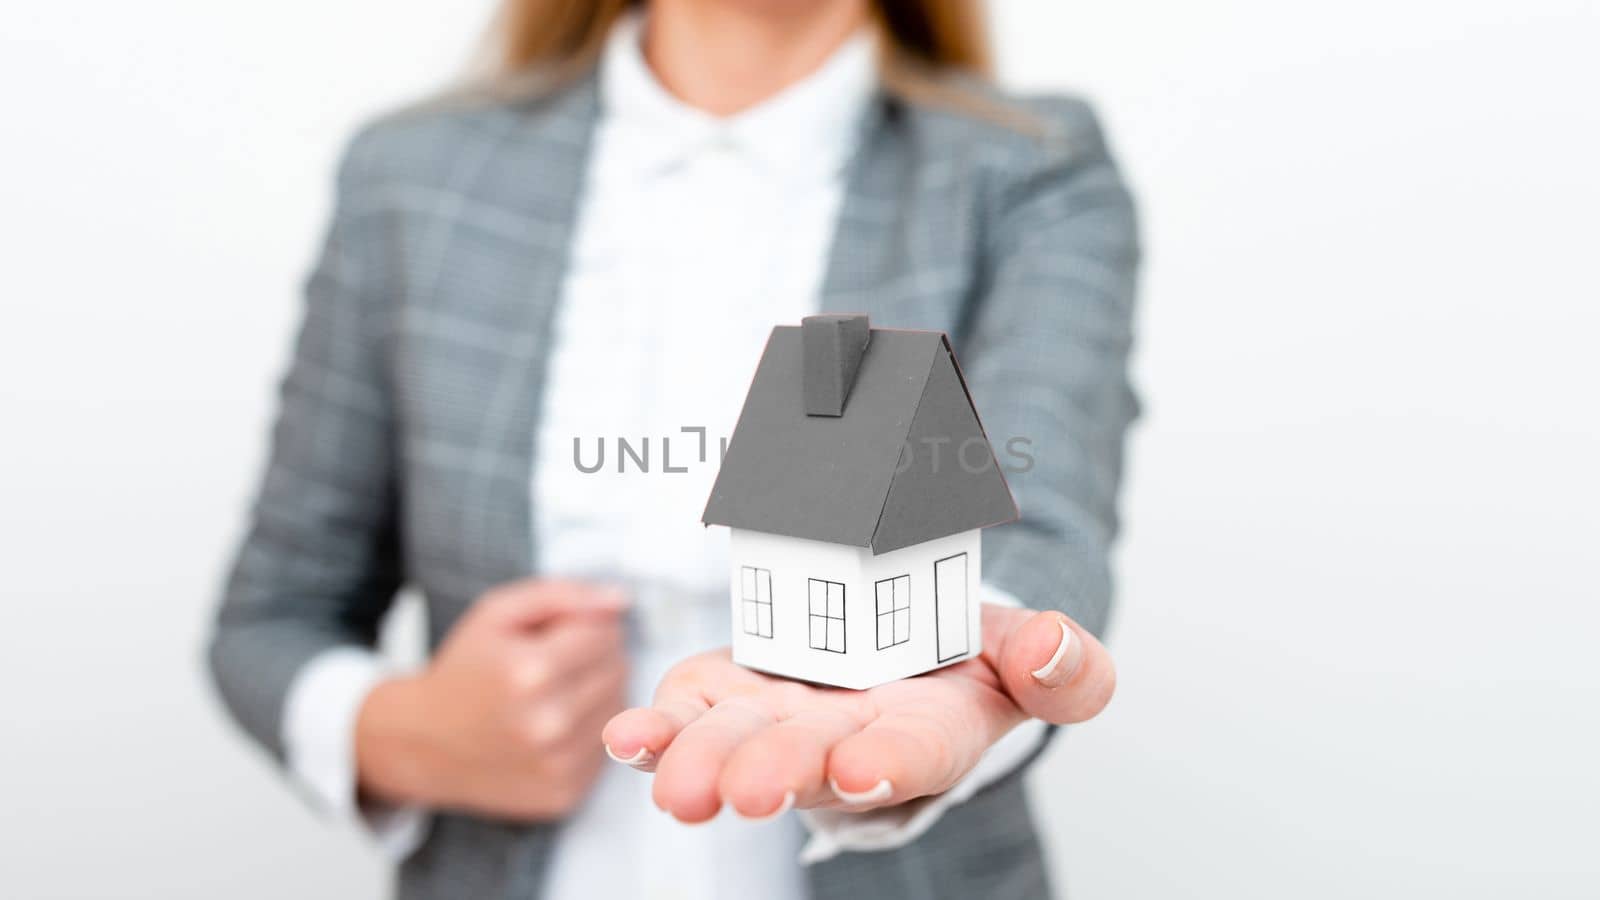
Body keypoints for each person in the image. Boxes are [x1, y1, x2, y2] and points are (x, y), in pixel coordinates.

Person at [207, 0, 1139, 897]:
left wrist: (964, 651)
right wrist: (403, 730)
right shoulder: (408, 179)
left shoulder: (1031, 168)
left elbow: (1039, 505)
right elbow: (273, 614)